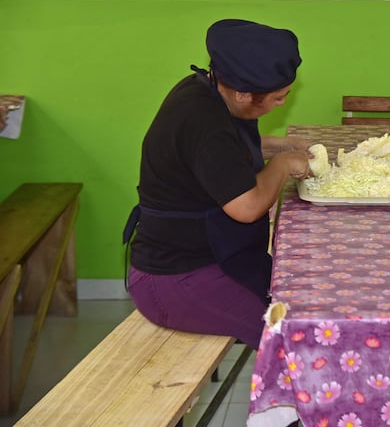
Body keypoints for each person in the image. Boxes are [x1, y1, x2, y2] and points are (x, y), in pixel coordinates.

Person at [124, 19, 313, 348]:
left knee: (307, 295)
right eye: (278, 98)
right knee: (290, 335)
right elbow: (247, 207)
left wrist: (280, 145)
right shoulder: (205, 124)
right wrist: (282, 165)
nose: (281, 103)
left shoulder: (204, 89)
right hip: (176, 279)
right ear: (242, 95)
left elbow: (222, 155)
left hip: (210, 258)